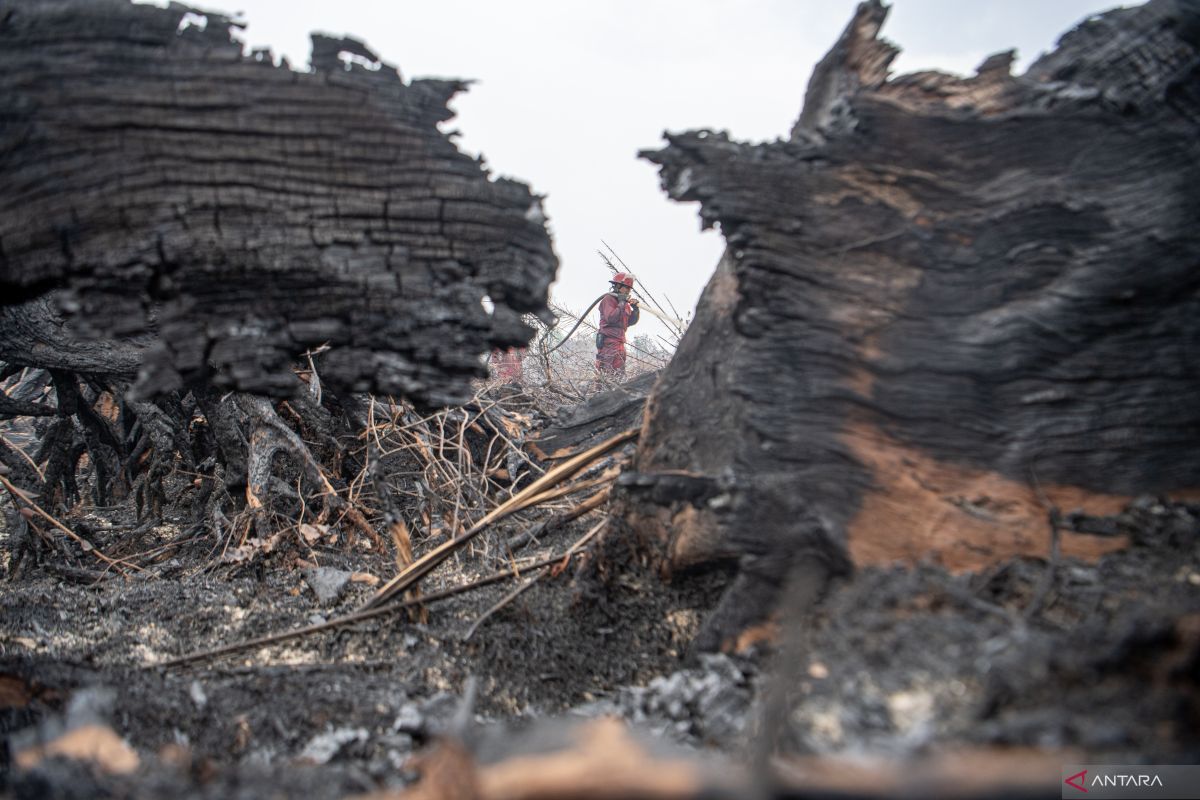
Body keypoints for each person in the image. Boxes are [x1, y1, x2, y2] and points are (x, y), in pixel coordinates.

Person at [595, 272, 640, 377]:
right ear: (618, 286)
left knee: (619, 377)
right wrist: (622, 303)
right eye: (626, 288)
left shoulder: (624, 304)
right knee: (606, 377)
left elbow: (629, 322)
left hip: (620, 345)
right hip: (608, 345)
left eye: (629, 288)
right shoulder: (608, 299)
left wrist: (636, 310)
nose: (628, 291)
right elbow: (611, 318)